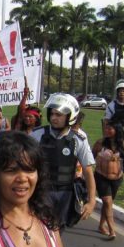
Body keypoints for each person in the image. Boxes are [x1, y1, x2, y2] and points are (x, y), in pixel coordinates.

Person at [30, 93, 96, 229]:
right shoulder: (37, 135)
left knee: (57, 229)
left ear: (70, 116)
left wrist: (92, 200)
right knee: (38, 228)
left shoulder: (78, 140)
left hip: (65, 195)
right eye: (52, 114)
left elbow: (88, 171)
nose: (54, 118)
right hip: (41, 191)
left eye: (59, 115)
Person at [92, 121, 124, 239]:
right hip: (101, 176)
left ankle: (101, 225)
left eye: (110, 129)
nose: (107, 131)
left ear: (117, 131)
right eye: (106, 128)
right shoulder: (100, 143)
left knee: (108, 203)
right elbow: (90, 157)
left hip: (117, 178)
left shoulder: (122, 144)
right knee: (108, 202)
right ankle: (112, 230)